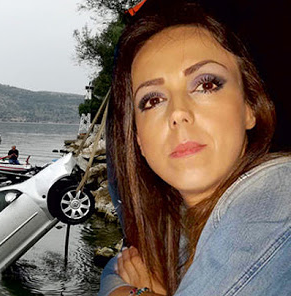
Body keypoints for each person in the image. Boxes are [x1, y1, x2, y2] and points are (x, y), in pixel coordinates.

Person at [99, 2, 291, 296]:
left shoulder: (275, 194)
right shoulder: (173, 225)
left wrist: (138, 291)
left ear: (250, 108)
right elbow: (116, 270)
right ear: (138, 140)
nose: (178, 113)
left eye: (206, 85)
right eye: (152, 100)